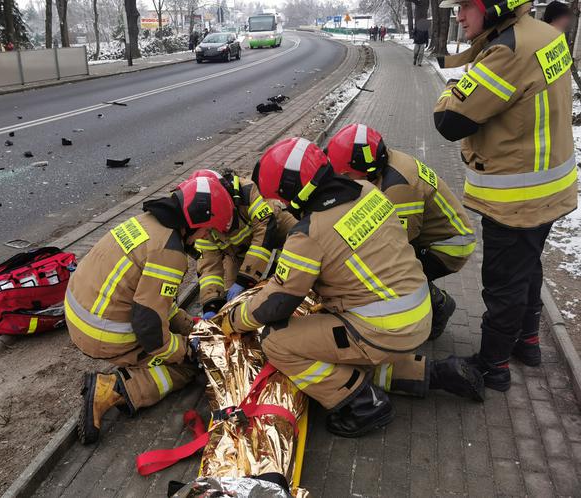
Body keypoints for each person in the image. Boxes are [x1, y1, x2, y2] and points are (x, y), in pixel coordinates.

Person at [220, 138, 484, 438]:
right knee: (344, 351)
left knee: (277, 341)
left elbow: (278, 303)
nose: (282, 206)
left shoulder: (308, 234)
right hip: (418, 310)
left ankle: (363, 403)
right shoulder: (368, 191)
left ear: (294, 190)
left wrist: (233, 320)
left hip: (384, 329)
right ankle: (436, 374)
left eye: (280, 198)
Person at [434, 0, 577, 391]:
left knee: (502, 282)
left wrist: (451, 89)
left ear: (494, 6)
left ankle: (492, 367)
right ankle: (527, 342)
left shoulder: (507, 51)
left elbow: (449, 121)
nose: (459, 16)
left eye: (465, 6)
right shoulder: (545, 34)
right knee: (526, 268)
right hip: (547, 186)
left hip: (518, 195)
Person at [66, 176, 235, 444]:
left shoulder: (147, 223)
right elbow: (150, 330)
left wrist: (188, 326)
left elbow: (150, 300)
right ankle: (111, 389)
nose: (206, 237)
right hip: (104, 334)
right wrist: (185, 351)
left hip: (81, 314)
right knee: (185, 369)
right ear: (195, 221)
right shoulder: (170, 253)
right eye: (207, 230)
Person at [325, 123, 476, 340]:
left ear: (365, 169)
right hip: (432, 236)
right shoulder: (384, 163)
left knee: (394, 275)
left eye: (347, 175)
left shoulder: (399, 188)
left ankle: (438, 307)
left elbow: (394, 245)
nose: (346, 180)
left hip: (450, 246)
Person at [189, 169, 296, 318]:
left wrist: (244, 279)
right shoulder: (202, 223)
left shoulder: (247, 192)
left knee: (301, 251)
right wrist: (211, 304)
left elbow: (265, 232)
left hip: (277, 233)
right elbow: (209, 267)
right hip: (239, 254)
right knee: (231, 304)